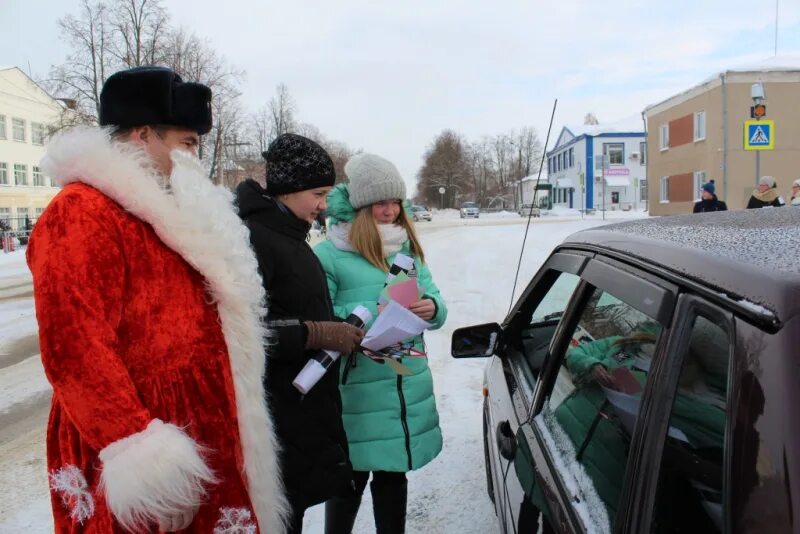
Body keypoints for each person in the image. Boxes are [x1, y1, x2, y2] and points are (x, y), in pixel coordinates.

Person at [27, 66, 286, 533]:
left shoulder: (163, 209)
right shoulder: (82, 213)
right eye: (186, 145)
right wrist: (140, 451)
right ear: (144, 135)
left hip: (197, 426)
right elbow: (75, 351)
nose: (194, 161)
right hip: (141, 442)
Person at [236, 134, 364, 533]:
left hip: (301, 410)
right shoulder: (253, 241)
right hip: (276, 415)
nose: (324, 205)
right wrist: (316, 333)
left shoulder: (289, 236)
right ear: (289, 190)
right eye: (318, 193)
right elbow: (240, 334)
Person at [315, 153, 447, 534]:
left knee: (393, 477)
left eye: (395, 203)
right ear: (360, 207)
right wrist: (369, 316)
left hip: (403, 381)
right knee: (349, 481)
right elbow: (321, 317)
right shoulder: (329, 254)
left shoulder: (407, 252)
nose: (389, 211)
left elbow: (438, 304)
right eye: (380, 203)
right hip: (357, 388)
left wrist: (430, 307)